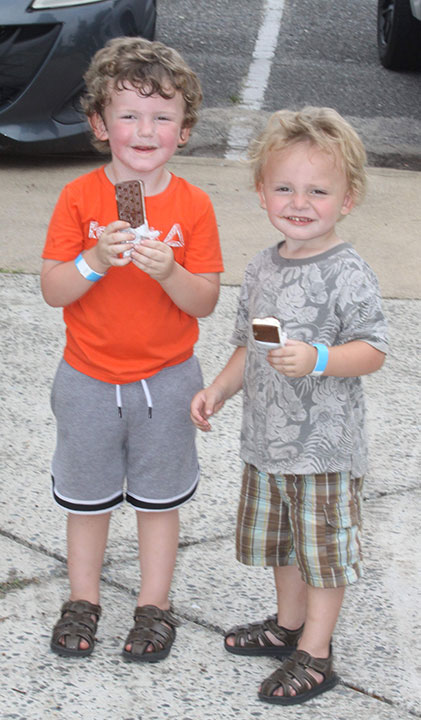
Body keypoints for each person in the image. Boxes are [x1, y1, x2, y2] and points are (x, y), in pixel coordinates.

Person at [191, 107, 387, 704]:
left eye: (318, 190)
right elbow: (252, 347)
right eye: (285, 187)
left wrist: (320, 358)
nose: (299, 202)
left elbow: (374, 349)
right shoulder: (261, 268)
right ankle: (289, 626)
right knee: (283, 546)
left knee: (323, 555)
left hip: (322, 451)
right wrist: (221, 389)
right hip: (268, 445)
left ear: (347, 198)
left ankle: (318, 655)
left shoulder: (347, 271)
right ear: (261, 192)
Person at [41, 36, 223, 661]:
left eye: (163, 116)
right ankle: (82, 597)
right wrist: (93, 259)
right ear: (99, 124)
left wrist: (169, 271)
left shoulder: (194, 206)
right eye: (128, 114)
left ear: (185, 129)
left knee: (157, 500)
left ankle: (154, 605)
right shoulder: (79, 198)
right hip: (88, 378)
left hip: (167, 380)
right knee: (88, 500)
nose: (145, 129)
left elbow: (205, 302)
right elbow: (53, 289)